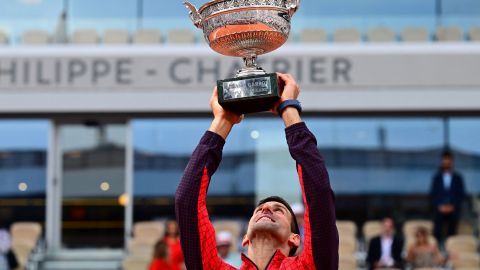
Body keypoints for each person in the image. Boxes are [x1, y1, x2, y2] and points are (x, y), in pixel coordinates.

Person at [175, 73, 339, 269]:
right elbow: (187, 201)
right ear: (245, 238)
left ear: (295, 239)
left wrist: (289, 109)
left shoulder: (310, 266)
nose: (266, 209)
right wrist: (223, 121)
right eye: (259, 210)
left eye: (279, 211)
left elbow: (319, 193)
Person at [430, 150, 465, 243]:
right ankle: (438, 249)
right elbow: (433, 194)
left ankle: (450, 249)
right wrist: (440, 206)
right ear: (441, 161)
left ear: (452, 161)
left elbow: (461, 195)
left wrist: (452, 206)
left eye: (449, 160)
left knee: (452, 231)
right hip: (439, 209)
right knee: (437, 229)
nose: (447, 162)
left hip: (453, 210)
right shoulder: (436, 178)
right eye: (444, 160)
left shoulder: (458, 178)